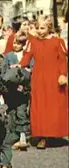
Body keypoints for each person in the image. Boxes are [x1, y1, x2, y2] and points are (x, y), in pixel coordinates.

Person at [18, 16, 68, 149]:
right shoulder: (33, 42)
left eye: (43, 28)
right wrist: (19, 65)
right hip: (39, 77)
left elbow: (62, 60)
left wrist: (63, 74)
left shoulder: (58, 41)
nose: (40, 31)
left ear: (49, 28)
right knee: (40, 106)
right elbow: (27, 57)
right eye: (38, 28)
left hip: (54, 77)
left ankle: (52, 132)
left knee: (53, 106)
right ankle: (42, 136)